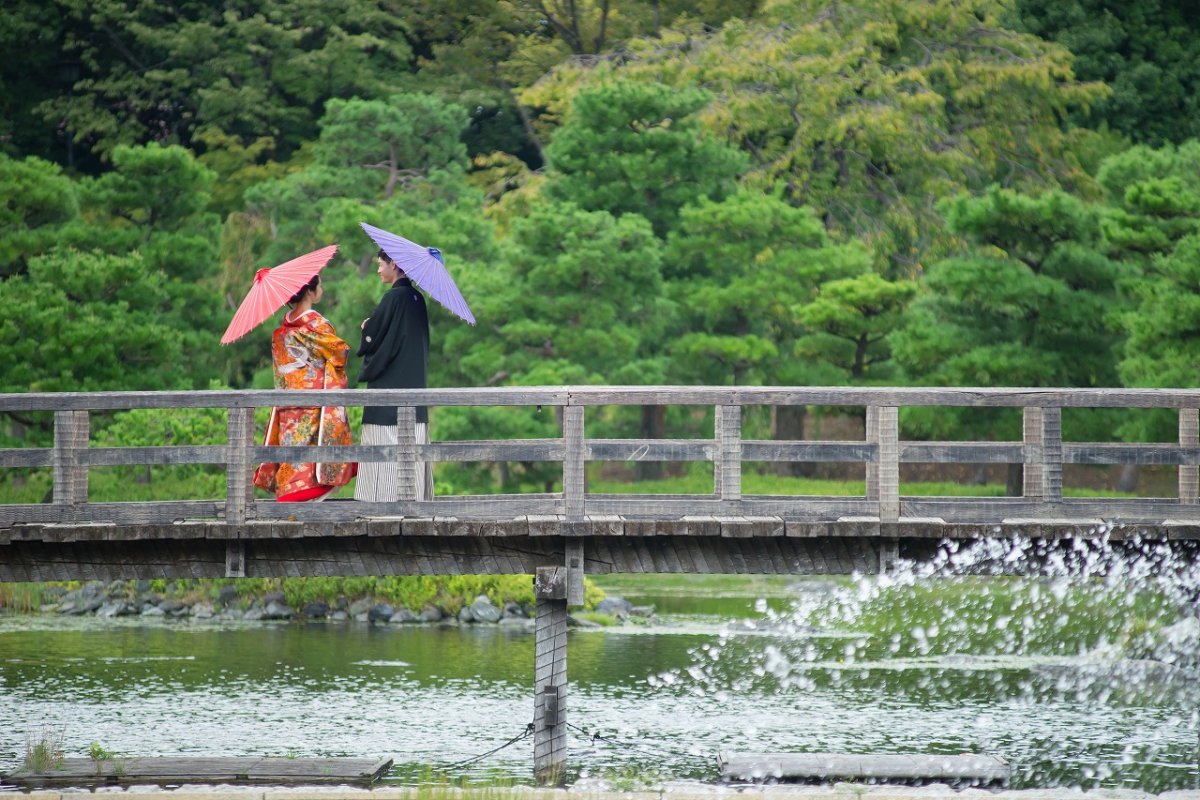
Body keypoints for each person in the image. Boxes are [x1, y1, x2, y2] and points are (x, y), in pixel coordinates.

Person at [252, 274, 355, 502]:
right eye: (320, 285)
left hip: (288, 403)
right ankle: (306, 499)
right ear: (310, 291)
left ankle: (290, 498)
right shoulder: (317, 325)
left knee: (292, 452)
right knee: (313, 456)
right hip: (313, 402)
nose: (322, 288)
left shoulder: (282, 331)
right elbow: (339, 352)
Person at [354, 249, 433, 501]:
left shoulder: (393, 298)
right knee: (413, 450)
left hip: (389, 392)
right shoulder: (417, 299)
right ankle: (415, 500)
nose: (378, 269)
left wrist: (367, 328)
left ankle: (382, 505)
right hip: (415, 390)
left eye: (381, 264)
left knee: (386, 455)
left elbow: (373, 340)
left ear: (394, 264)